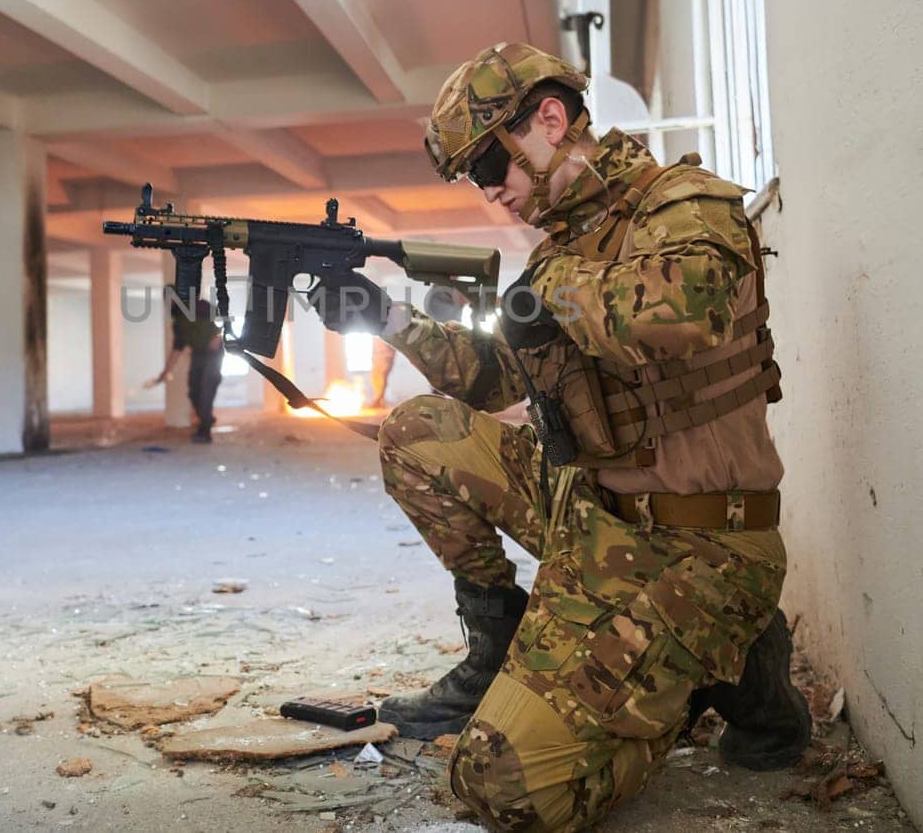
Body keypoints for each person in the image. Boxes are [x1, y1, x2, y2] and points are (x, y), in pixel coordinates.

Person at [307, 43, 809, 831]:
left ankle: (721, 665)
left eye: (490, 166)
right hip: (592, 515)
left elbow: (680, 313)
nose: (489, 192)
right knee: (420, 432)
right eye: (473, 177)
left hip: (700, 544)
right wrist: (388, 318)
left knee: (499, 784)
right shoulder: (557, 254)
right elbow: (498, 378)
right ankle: (498, 645)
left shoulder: (686, 203)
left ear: (549, 117)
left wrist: (552, 287)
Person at [148, 297, 224, 442]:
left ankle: (204, 430)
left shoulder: (199, 306)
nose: (168, 303)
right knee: (194, 391)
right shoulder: (178, 324)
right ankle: (206, 417)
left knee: (207, 389)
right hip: (197, 354)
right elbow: (177, 349)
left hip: (214, 353)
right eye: (166, 300)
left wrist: (218, 336)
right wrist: (166, 372)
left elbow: (224, 317)